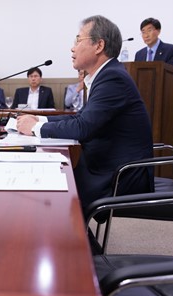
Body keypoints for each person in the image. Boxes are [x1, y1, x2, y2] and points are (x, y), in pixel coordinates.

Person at [16, 15, 154, 214]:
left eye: (78, 40)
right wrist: (40, 119)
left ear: (99, 46)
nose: (72, 48)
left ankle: (73, 233)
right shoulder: (107, 74)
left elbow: (82, 127)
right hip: (107, 165)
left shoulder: (113, 77)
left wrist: (35, 127)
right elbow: (81, 117)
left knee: (49, 189)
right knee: (49, 176)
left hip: (119, 176)